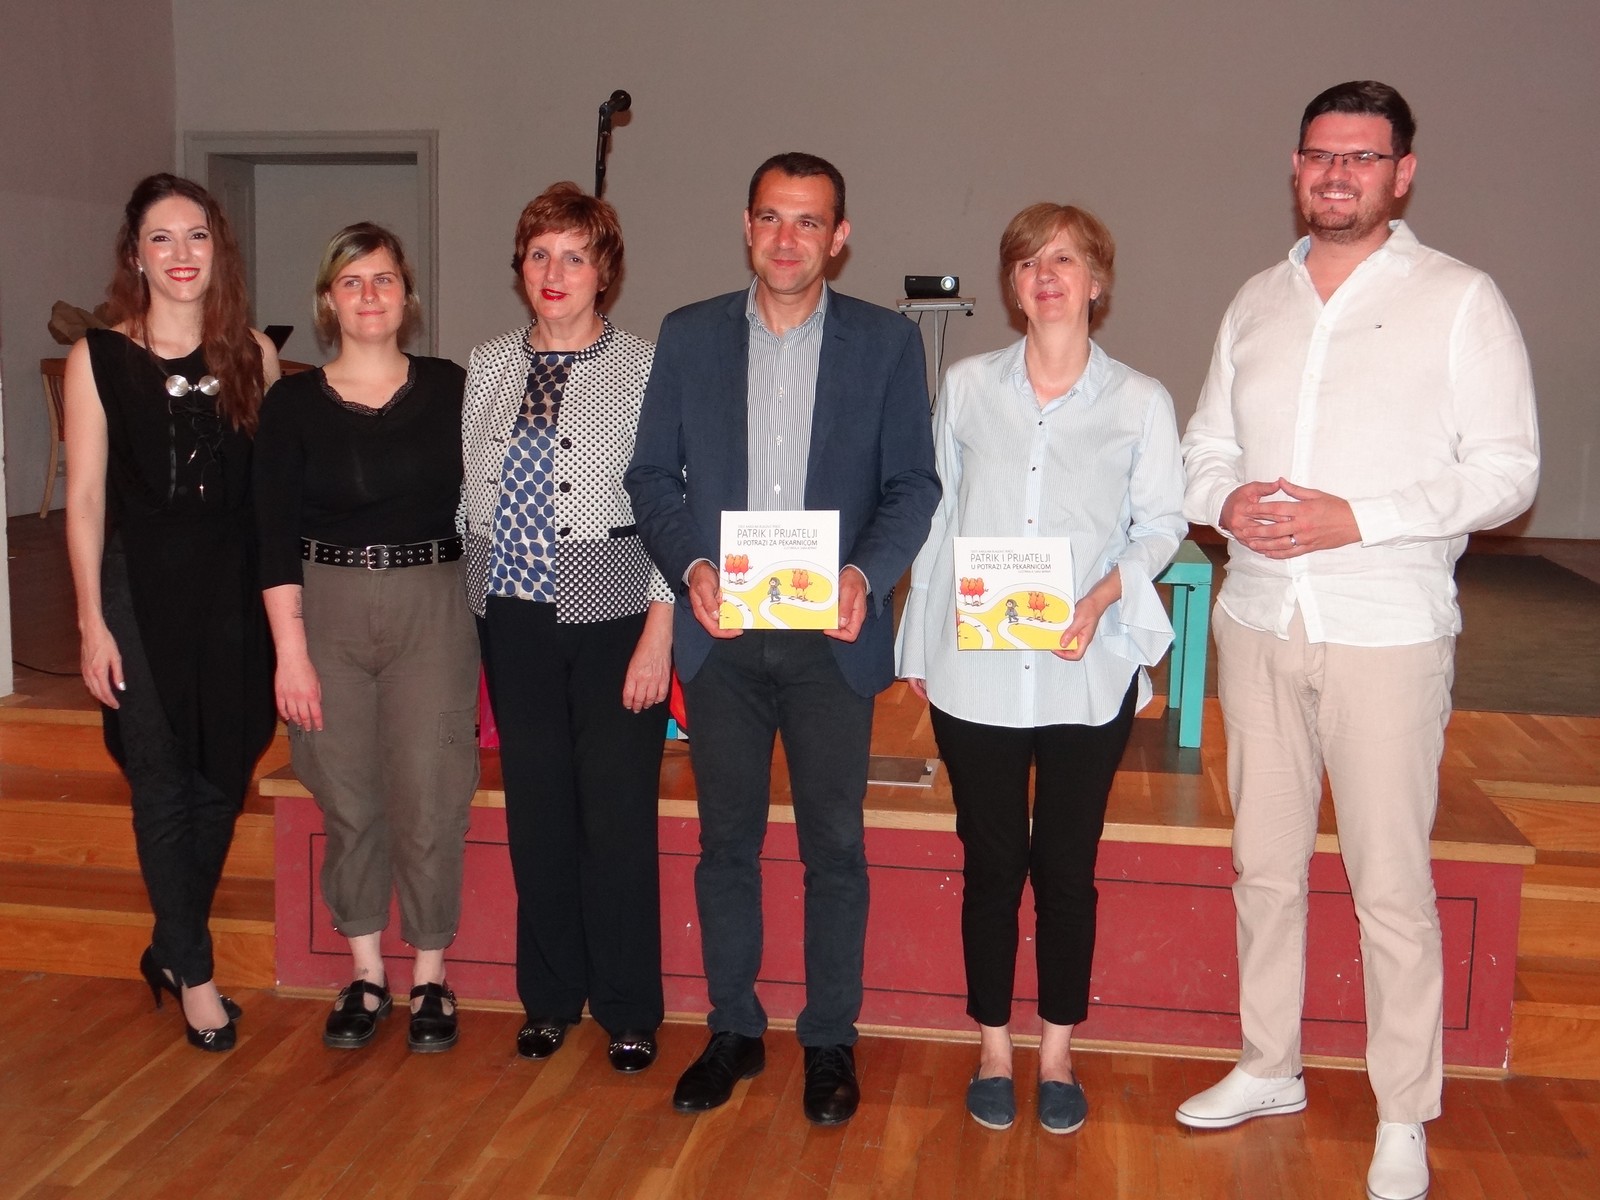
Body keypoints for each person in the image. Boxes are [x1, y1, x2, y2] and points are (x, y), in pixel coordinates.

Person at [1176, 82, 1539, 1200]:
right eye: (1320, 155)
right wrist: (1223, 500)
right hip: (1258, 621)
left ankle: (1402, 1111)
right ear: (1296, 168)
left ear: (1402, 173)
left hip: (1386, 630)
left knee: (1390, 885)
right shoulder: (1255, 299)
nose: (1337, 174)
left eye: (1362, 157)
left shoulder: (1460, 299)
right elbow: (1203, 447)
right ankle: (1268, 1065)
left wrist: (1359, 519)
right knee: (1263, 868)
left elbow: (1508, 472)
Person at [626, 152, 940, 1124]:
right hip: (720, 639)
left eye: (809, 221)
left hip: (828, 644)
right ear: (746, 226)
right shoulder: (689, 336)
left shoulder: (885, 344)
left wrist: (864, 575)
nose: (787, 238)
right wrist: (691, 566)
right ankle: (733, 1029)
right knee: (725, 844)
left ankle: (829, 1038)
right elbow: (651, 477)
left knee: (833, 847)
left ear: (839, 237)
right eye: (771, 217)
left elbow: (912, 486)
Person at [896, 203, 1186, 1134]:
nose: (1046, 275)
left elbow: (1162, 524)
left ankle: (1056, 1053)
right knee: (990, 867)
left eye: (1065, 260)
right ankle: (993, 1046)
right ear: (1012, 285)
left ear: (1097, 282)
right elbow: (938, 516)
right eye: (1028, 262)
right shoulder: (967, 388)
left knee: (1066, 870)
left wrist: (1103, 596)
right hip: (975, 672)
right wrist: (918, 641)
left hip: (1084, 671)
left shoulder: (1139, 400)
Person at [460, 182, 673, 1073]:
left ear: (604, 272)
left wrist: (660, 630)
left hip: (616, 621)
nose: (555, 272)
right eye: (540, 254)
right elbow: (466, 496)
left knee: (616, 819)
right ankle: (549, 998)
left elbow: (674, 506)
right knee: (537, 814)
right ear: (520, 266)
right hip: (510, 617)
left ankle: (627, 1006)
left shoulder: (648, 368)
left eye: (575, 256)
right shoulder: (486, 365)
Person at [64, 173, 280, 1052]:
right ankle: (194, 973)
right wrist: (90, 621)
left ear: (218, 250)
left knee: (222, 776)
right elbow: (84, 500)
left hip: (233, 596)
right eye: (162, 237)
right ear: (135, 255)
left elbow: (269, 499)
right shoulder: (99, 359)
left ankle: (169, 943)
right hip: (138, 593)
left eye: (197, 236)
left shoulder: (255, 356)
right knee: (160, 780)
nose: (181, 253)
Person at [254, 223, 479, 1054]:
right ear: (328, 301)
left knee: (431, 794)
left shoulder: (453, 389)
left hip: (432, 604)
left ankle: (430, 974)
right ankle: (365, 973)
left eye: (383, 279)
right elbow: (271, 534)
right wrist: (290, 652)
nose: (369, 295)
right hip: (326, 608)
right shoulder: (291, 406)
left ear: (406, 295)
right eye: (351, 282)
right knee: (346, 795)